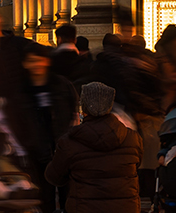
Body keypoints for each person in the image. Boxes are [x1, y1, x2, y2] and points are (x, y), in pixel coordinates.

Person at [46, 81, 142, 213]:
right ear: (109, 106)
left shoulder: (69, 142)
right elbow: (136, 166)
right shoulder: (133, 139)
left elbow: (54, 177)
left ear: (83, 108)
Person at [6, 44, 77, 212]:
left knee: (68, 195)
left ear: (46, 61)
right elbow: (16, 121)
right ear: (25, 63)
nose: (36, 65)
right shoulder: (21, 91)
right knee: (44, 198)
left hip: (61, 150)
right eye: (32, 61)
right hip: (36, 153)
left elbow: (72, 111)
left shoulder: (60, 85)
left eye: (40, 60)